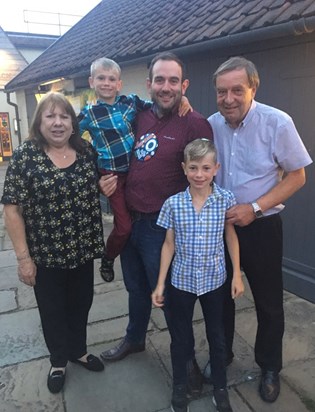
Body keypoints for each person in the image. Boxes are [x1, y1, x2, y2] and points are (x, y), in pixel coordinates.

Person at [99, 52, 213, 391]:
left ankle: (187, 363)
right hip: (129, 221)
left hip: (162, 229)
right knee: (135, 289)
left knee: (172, 301)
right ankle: (135, 338)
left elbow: (205, 177)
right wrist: (102, 181)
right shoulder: (139, 115)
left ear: (184, 85)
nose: (166, 87)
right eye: (159, 80)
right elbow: (111, 139)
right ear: (148, 84)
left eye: (173, 81)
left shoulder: (194, 123)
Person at [203, 56, 312, 403]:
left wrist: (254, 208)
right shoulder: (211, 125)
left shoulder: (277, 123)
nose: (229, 98)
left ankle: (269, 367)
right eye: (222, 91)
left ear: (253, 87)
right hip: (220, 230)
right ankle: (222, 355)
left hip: (262, 227)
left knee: (268, 304)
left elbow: (298, 175)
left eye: (237, 89)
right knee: (219, 301)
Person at [1, 92, 105, 394]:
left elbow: (103, 178)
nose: (58, 123)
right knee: (52, 310)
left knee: (81, 304)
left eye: (64, 117)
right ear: (40, 122)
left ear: (73, 123)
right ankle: (59, 360)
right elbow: (12, 209)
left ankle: (78, 350)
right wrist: (23, 258)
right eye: (51, 116)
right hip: (45, 255)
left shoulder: (86, 151)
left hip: (82, 250)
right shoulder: (25, 156)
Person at [78, 57, 191, 283]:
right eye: (101, 78)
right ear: (91, 81)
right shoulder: (89, 113)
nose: (107, 83)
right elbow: (69, 137)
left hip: (134, 172)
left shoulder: (130, 103)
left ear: (119, 83)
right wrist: (93, 161)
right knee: (123, 227)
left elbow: (158, 106)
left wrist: (182, 100)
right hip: (113, 177)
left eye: (112, 79)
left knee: (133, 226)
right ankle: (108, 257)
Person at [152, 139, 244, 412]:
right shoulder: (173, 204)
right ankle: (180, 385)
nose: (199, 174)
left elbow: (231, 237)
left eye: (206, 168)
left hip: (215, 281)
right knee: (180, 338)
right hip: (181, 281)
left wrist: (237, 274)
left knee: (217, 336)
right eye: (193, 168)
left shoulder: (225, 199)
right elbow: (168, 245)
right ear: (184, 168)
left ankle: (220, 387)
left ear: (216, 168)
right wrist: (160, 284)